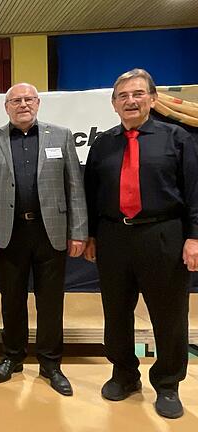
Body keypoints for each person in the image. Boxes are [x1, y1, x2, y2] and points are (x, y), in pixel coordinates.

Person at [84, 68, 198, 419]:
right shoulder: (103, 143)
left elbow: (195, 191)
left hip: (163, 234)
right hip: (113, 237)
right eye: (123, 96)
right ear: (113, 104)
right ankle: (124, 374)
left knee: (169, 314)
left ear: (151, 98)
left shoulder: (177, 138)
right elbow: (92, 192)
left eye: (137, 94)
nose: (130, 101)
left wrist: (194, 237)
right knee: (115, 312)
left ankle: (167, 383)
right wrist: (90, 234)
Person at [0, 83, 87, 396]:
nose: (22, 104)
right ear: (6, 107)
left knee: (50, 303)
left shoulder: (60, 135)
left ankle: (50, 363)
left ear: (38, 103)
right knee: (11, 300)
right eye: (15, 100)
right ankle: (13, 357)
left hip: (51, 232)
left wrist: (79, 231)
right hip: (10, 233)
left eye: (28, 99)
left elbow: (74, 186)